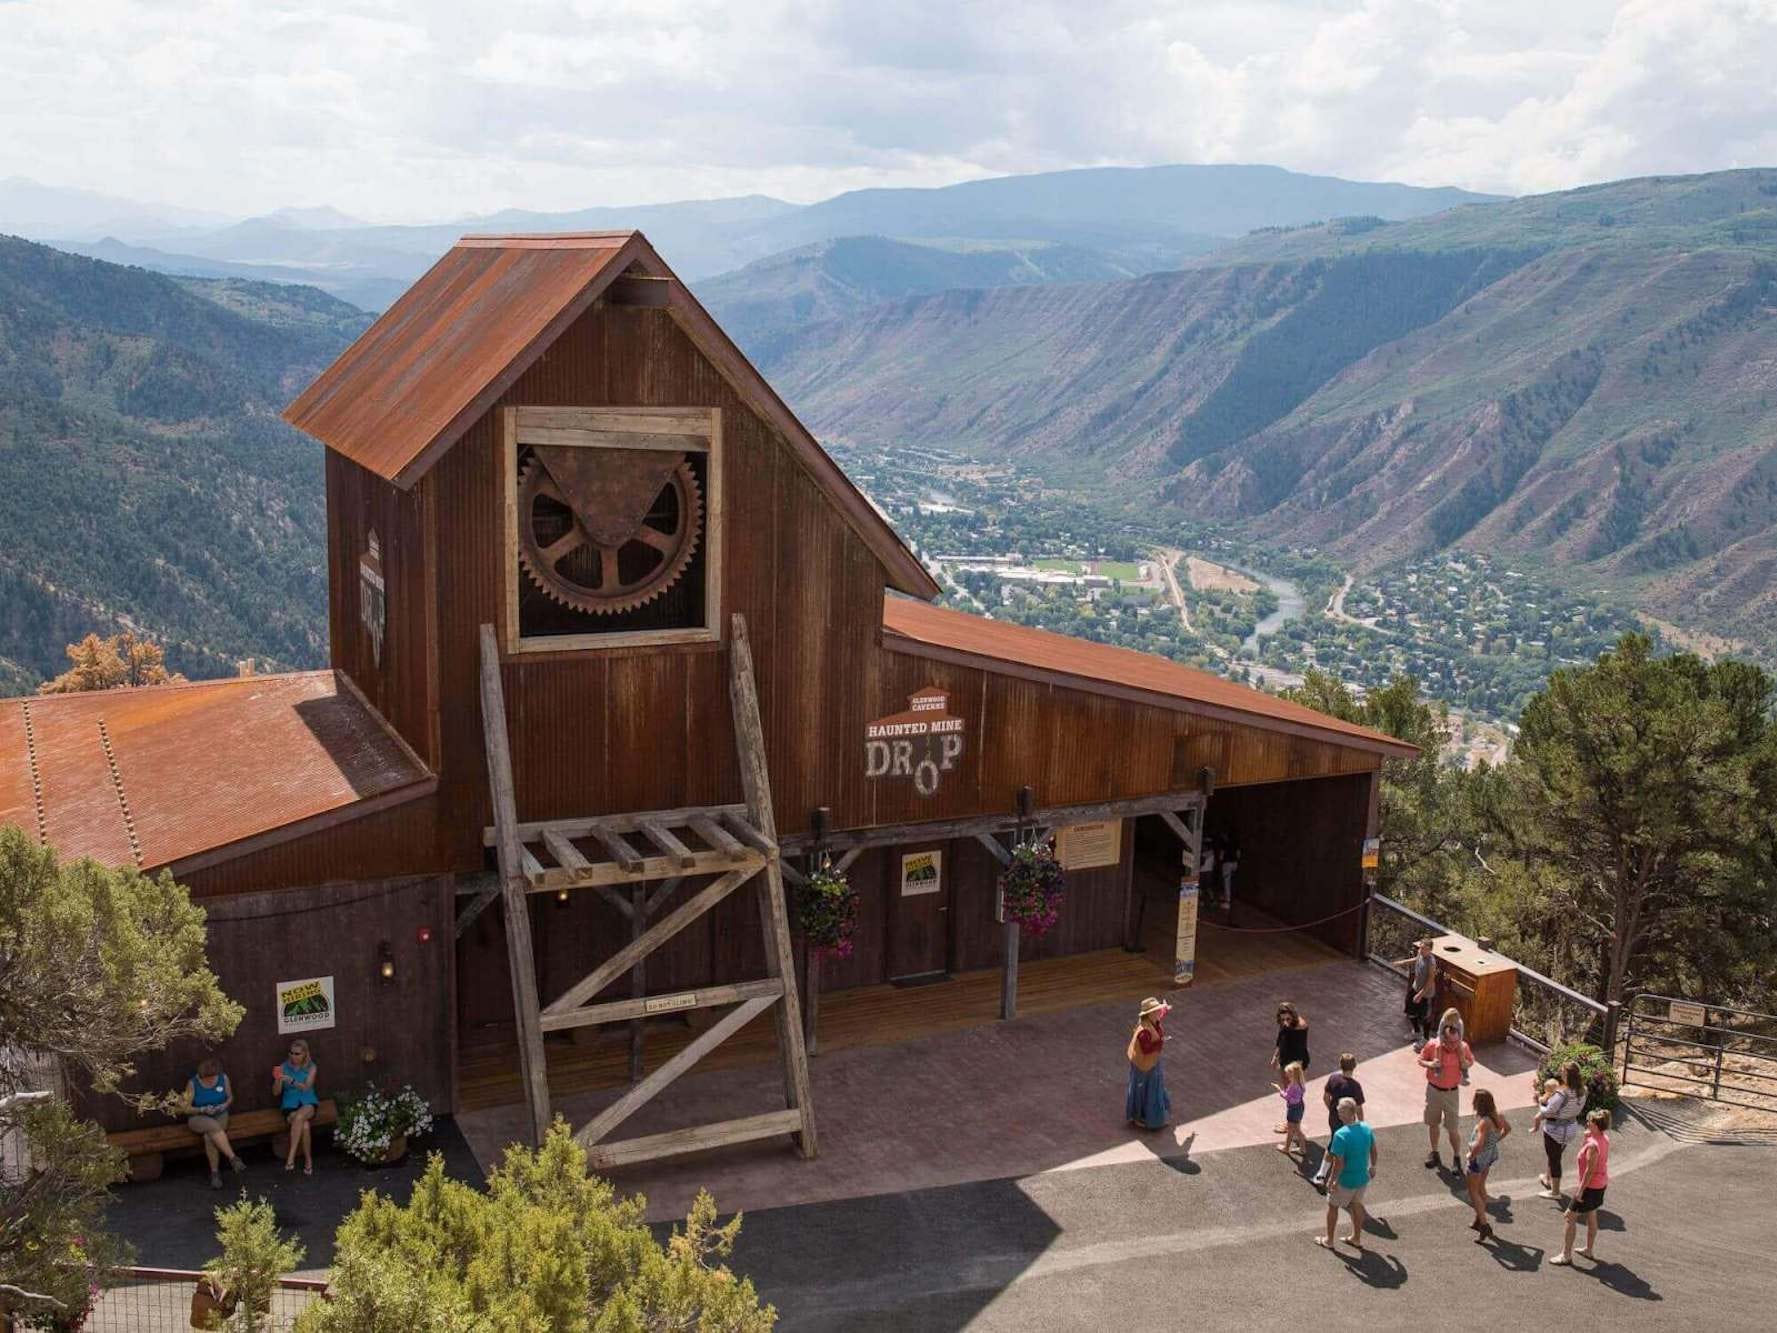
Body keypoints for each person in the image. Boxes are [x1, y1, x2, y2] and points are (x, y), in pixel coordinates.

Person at [1550, 1108, 1612, 1266]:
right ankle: (1589, 1250)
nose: (1587, 1122)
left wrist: (1580, 1192)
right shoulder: (1604, 1138)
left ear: (1596, 1125)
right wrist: (1586, 1139)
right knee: (1592, 1215)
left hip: (1589, 1187)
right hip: (1600, 1185)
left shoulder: (1593, 1145)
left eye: (1590, 1121)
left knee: (1569, 1217)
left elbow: (1589, 1170)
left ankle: (1566, 1255)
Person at [1316, 1097, 1377, 1251]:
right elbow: (1374, 1150)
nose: (1338, 1113)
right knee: (1357, 1205)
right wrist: (1373, 1166)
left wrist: (1332, 1180)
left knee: (1333, 1206)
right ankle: (1356, 1238)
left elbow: (1339, 1163)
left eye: (1340, 1111)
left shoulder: (1340, 1135)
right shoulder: (1366, 1128)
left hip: (1346, 1180)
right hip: (1362, 1178)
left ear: (1348, 1113)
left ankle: (1329, 1240)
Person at [182, 1058, 246, 1189]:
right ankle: (233, 1158)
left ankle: (215, 1174)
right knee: (213, 1128)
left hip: (220, 1114)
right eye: (207, 1078)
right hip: (198, 1117)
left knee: (209, 1137)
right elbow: (185, 1108)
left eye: (213, 1077)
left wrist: (224, 1105)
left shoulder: (224, 1078)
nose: (211, 1081)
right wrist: (202, 1109)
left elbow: (230, 1097)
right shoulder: (192, 1084)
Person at [1419, 1013, 1472, 1170]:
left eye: (1456, 1041)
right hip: (1434, 1090)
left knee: (1452, 1128)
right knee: (1433, 1123)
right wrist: (1430, 1064)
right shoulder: (1432, 1045)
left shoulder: (1462, 1047)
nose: (1453, 1045)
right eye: (1450, 1042)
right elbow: (1420, 1060)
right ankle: (1434, 1153)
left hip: (1451, 1092)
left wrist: (1465, 1064)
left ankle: (1456, 1157)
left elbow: (1471, 1061)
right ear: (1443, 1037)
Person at [1532, 1061, 1587, 1200]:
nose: (1560, 1074)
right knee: (1555, 1154)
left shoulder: (1562, 1093)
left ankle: (1555, 1192)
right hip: (1571, 1128)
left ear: (1567, 1075)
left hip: (1555, 1130)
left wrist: (1540, 1104)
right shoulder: (1583, 1091)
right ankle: (1547, 1177)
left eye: (1563, 1072)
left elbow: (1548, 1112)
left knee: (1555, 1158)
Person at [1463, 1088, 1512, 1241]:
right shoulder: (1499, 1117)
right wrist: (1496, 1140)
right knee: (1481, 1187)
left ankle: (1484, 1225)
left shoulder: (1485, 1122)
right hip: (1489, 1157)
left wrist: (1471, 1155)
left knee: (1473, 1192)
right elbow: (1508, 1129)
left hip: (1478, 1160)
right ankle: (1479, 1218)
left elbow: (1478, 1144)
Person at [1312, 1052, 1365, 1189]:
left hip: (1334, 1118)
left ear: (1340, 1065)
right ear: (1354, 1066)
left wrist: (1332, 1110)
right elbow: (1358, 1107)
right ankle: (1323, 1176)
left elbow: (1325, 1097)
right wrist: (1361, 1122)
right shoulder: (1355, 1086)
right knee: (1338, 1148)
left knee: (1334, 1143)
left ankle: (1323, 1174)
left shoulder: (1333, 1079)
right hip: (1349, 1121)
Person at [1125, 997, 1172, 1131]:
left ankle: (1146, 1115)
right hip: (1144, 1065)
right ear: (1149, 1014)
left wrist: (1165, 1009)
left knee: (1151, 1087)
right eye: (1156, 1011)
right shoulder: (1144, 1031)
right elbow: (1147, 1049)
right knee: (1143, 1090)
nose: (1159, 1013)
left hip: (1151, 1062)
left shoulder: (1152, 1021)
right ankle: (1139, 1117)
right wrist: (1161, 1041)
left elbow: (1160, 1016)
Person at [274, 1039, 320, 1175]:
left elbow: (307, 1087)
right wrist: (277, 1081)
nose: (293, 1056)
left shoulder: (312, 1067)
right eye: (291, 1053)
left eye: (297, 1054)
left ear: (305, 1054)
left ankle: (291, 1156)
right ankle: (308, 1160)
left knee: (300, 1116)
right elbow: (276, 1092)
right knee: (304, 1126)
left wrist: (292, 1081)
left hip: (308, 1102)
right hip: (289, 1104)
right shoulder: (282, 1067)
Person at [1270, 1002, 1311, 1134]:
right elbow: (1281, 1038)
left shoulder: (1300, 1027)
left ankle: (1292, 1125)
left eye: (1288, 1019)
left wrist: (1295, 1072)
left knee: (1294, 1094)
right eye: (1282, 1019)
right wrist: (1275, 1056)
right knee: (1289, 1093)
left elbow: (1300, 1050)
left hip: (1294, 1065)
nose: (1285, 1022)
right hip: (1285, 1060)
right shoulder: (1284, 1024)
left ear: (1293, 1016)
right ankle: (1290, 1122)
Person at [1402, 939, 1437, 1049]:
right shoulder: (1420, 954)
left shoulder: (1431, 962)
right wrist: (1403, 962)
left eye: (1425, 949)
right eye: (1421, 947)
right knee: (1410, 1009)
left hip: (1426, 993)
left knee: (1425, 1017)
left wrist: (1420, 995)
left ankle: (1426, 1039)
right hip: (1415, 987)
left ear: (1430, 950)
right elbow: (1416, 960)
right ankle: (1416, 1032)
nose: (1421, 950)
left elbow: (1430, 980)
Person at [1273, 1061, 1309, 1161]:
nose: (1286, 1075)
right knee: (1297, 1129)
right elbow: (1298, 1098)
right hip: (1300, 1107)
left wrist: (1280, 1091)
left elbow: (1288, 1097)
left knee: (1290, 1130)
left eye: (1288, 1073)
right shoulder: (1301, 1084)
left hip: (1293, 1109)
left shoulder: (1293, 1086)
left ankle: (1286, 1148)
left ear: (1292, 1075)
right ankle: (1303, 1149)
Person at [1219, 836, 1240, 913]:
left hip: (1227, 863)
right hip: (1234, 863)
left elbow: (1221, 856)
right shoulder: (1236, 843)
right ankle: (1228, 898)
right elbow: (1238, 854)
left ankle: (1227, 901)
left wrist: (1220, 861)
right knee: (1232, 881)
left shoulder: (1225, 844)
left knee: (1226, 882)